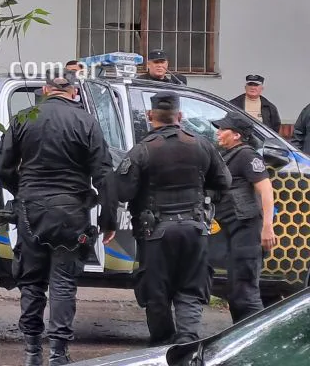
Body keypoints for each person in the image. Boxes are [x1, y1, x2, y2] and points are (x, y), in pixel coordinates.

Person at [0, 71, 118, 366]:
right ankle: (58, 354)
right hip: (71, 212)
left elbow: (1, 168)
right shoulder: (86, 121)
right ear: (74, 92)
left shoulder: (24, 118)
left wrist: (23, 190)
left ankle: (31, 352)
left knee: (32, 282)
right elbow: (104, 173)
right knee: (63, 283)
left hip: (30, 211)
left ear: (45, 90)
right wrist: (108, 219)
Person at [117, 92, 231, 346]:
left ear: (150, 116)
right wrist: (203, 195)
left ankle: (162, 345)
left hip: (155, 233)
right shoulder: (202, 145)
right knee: (191, 287)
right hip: (195, 228)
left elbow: (122, 191)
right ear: (180, 116)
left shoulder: (142, 150)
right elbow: (224, 181)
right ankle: (187, 342)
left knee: (156, 292)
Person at [212, 111, 277, 323]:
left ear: (237, 135)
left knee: (246, 293)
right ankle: (239, 336)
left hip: (248, 231)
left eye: (223, 129)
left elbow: (266, 190)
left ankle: (258, 337)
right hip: (234, 231)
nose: (218, 132)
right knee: (236, 291)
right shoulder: (228, 155)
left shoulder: (247, 156)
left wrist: (267, 227)